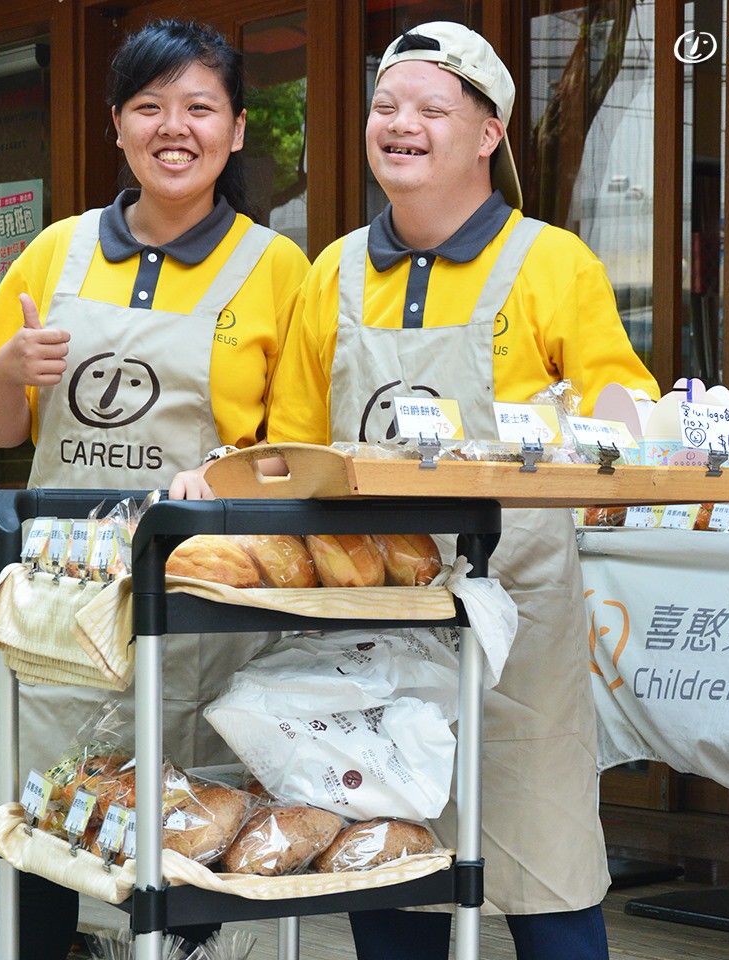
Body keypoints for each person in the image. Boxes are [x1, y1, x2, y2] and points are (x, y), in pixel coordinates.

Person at [266, 21, 659, 960]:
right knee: (387, 859)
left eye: (431, 108)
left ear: (489, 135)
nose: (401, 124)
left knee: (547, 865)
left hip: (513, 618)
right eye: (386, 106)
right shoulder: (333, 272)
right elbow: (288, 442)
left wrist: (622, 418)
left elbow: (621, 396)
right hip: (370, 611)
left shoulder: (550, 262)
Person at [0, 18, 309, 959]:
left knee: (195, 837)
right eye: (149, 106)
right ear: (117, 125)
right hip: (62, 610)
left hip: (200, 608)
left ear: (237, 130)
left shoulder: (279, 270)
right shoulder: (57, 253)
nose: (174, 127)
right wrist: (11, 373)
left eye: (201, 106)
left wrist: (223, 473)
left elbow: (301, 450)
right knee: (37, 832)